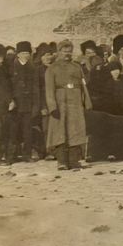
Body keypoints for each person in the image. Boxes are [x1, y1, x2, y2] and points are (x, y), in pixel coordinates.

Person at [45, 40, 92, 170]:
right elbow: (49, 89)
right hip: (60, 102)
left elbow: (83, 85)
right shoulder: (52, 68)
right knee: (60, 131)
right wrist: (52, 107)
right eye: (64, 51)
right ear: (59, 52)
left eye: (69, 51)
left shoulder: (77, 67)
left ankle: (73, 161)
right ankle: (62, 162)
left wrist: (87, 102)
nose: (67, 54)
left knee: (75, 130)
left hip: (75, 102)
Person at [7, 42, 42, 163]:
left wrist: (35, 105)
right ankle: (11, 155)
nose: (25, 56)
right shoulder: (11, 67)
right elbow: (8, 86)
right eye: (23, 53)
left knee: (28, 131)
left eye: (27, 53)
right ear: (18, 54)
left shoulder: (33, 68)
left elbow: (36, 88)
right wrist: (10, 100)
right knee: (13, 131)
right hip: (15, 105)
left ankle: (27, 155)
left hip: (28, 105)